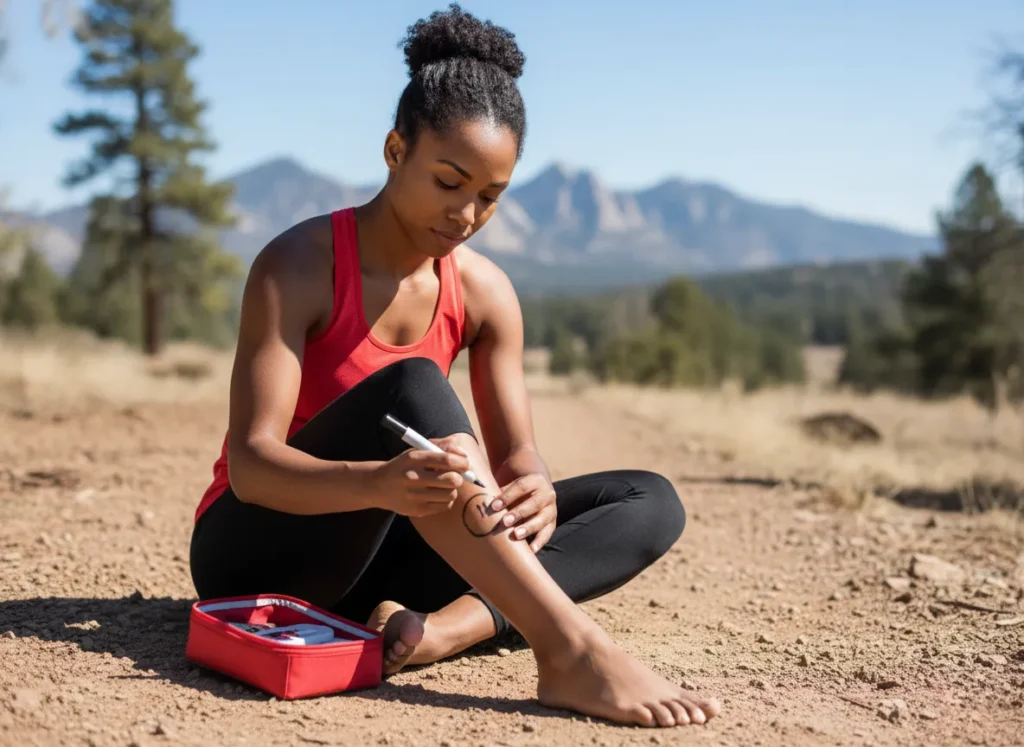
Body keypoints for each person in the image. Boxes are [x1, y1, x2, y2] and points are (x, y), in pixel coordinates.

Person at [188, 3, 721, 729]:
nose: (466, 213)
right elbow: (251, 465)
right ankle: (571, 651)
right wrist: (378, 482)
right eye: (449, 182)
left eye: (491, 197)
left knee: (648, 499)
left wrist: (531, 481)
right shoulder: (299, 266)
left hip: (387, 558)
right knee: (415, 385)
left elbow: (512, 457)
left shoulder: (486, 293)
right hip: (262, 554)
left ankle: (440, 630)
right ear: (395, 150)